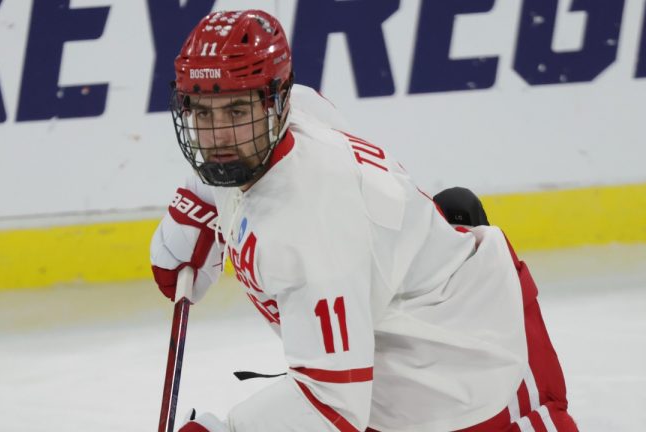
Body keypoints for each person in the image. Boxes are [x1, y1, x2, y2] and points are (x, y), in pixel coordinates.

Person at [150, 9, 577, 432]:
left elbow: (331, 405)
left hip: (473, 367)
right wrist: (198, 201)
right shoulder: (294, 113)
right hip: (384, 370)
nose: (219, 137)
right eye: (203, 113)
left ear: (276, 103)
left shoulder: (308, 228)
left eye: (237, 113)